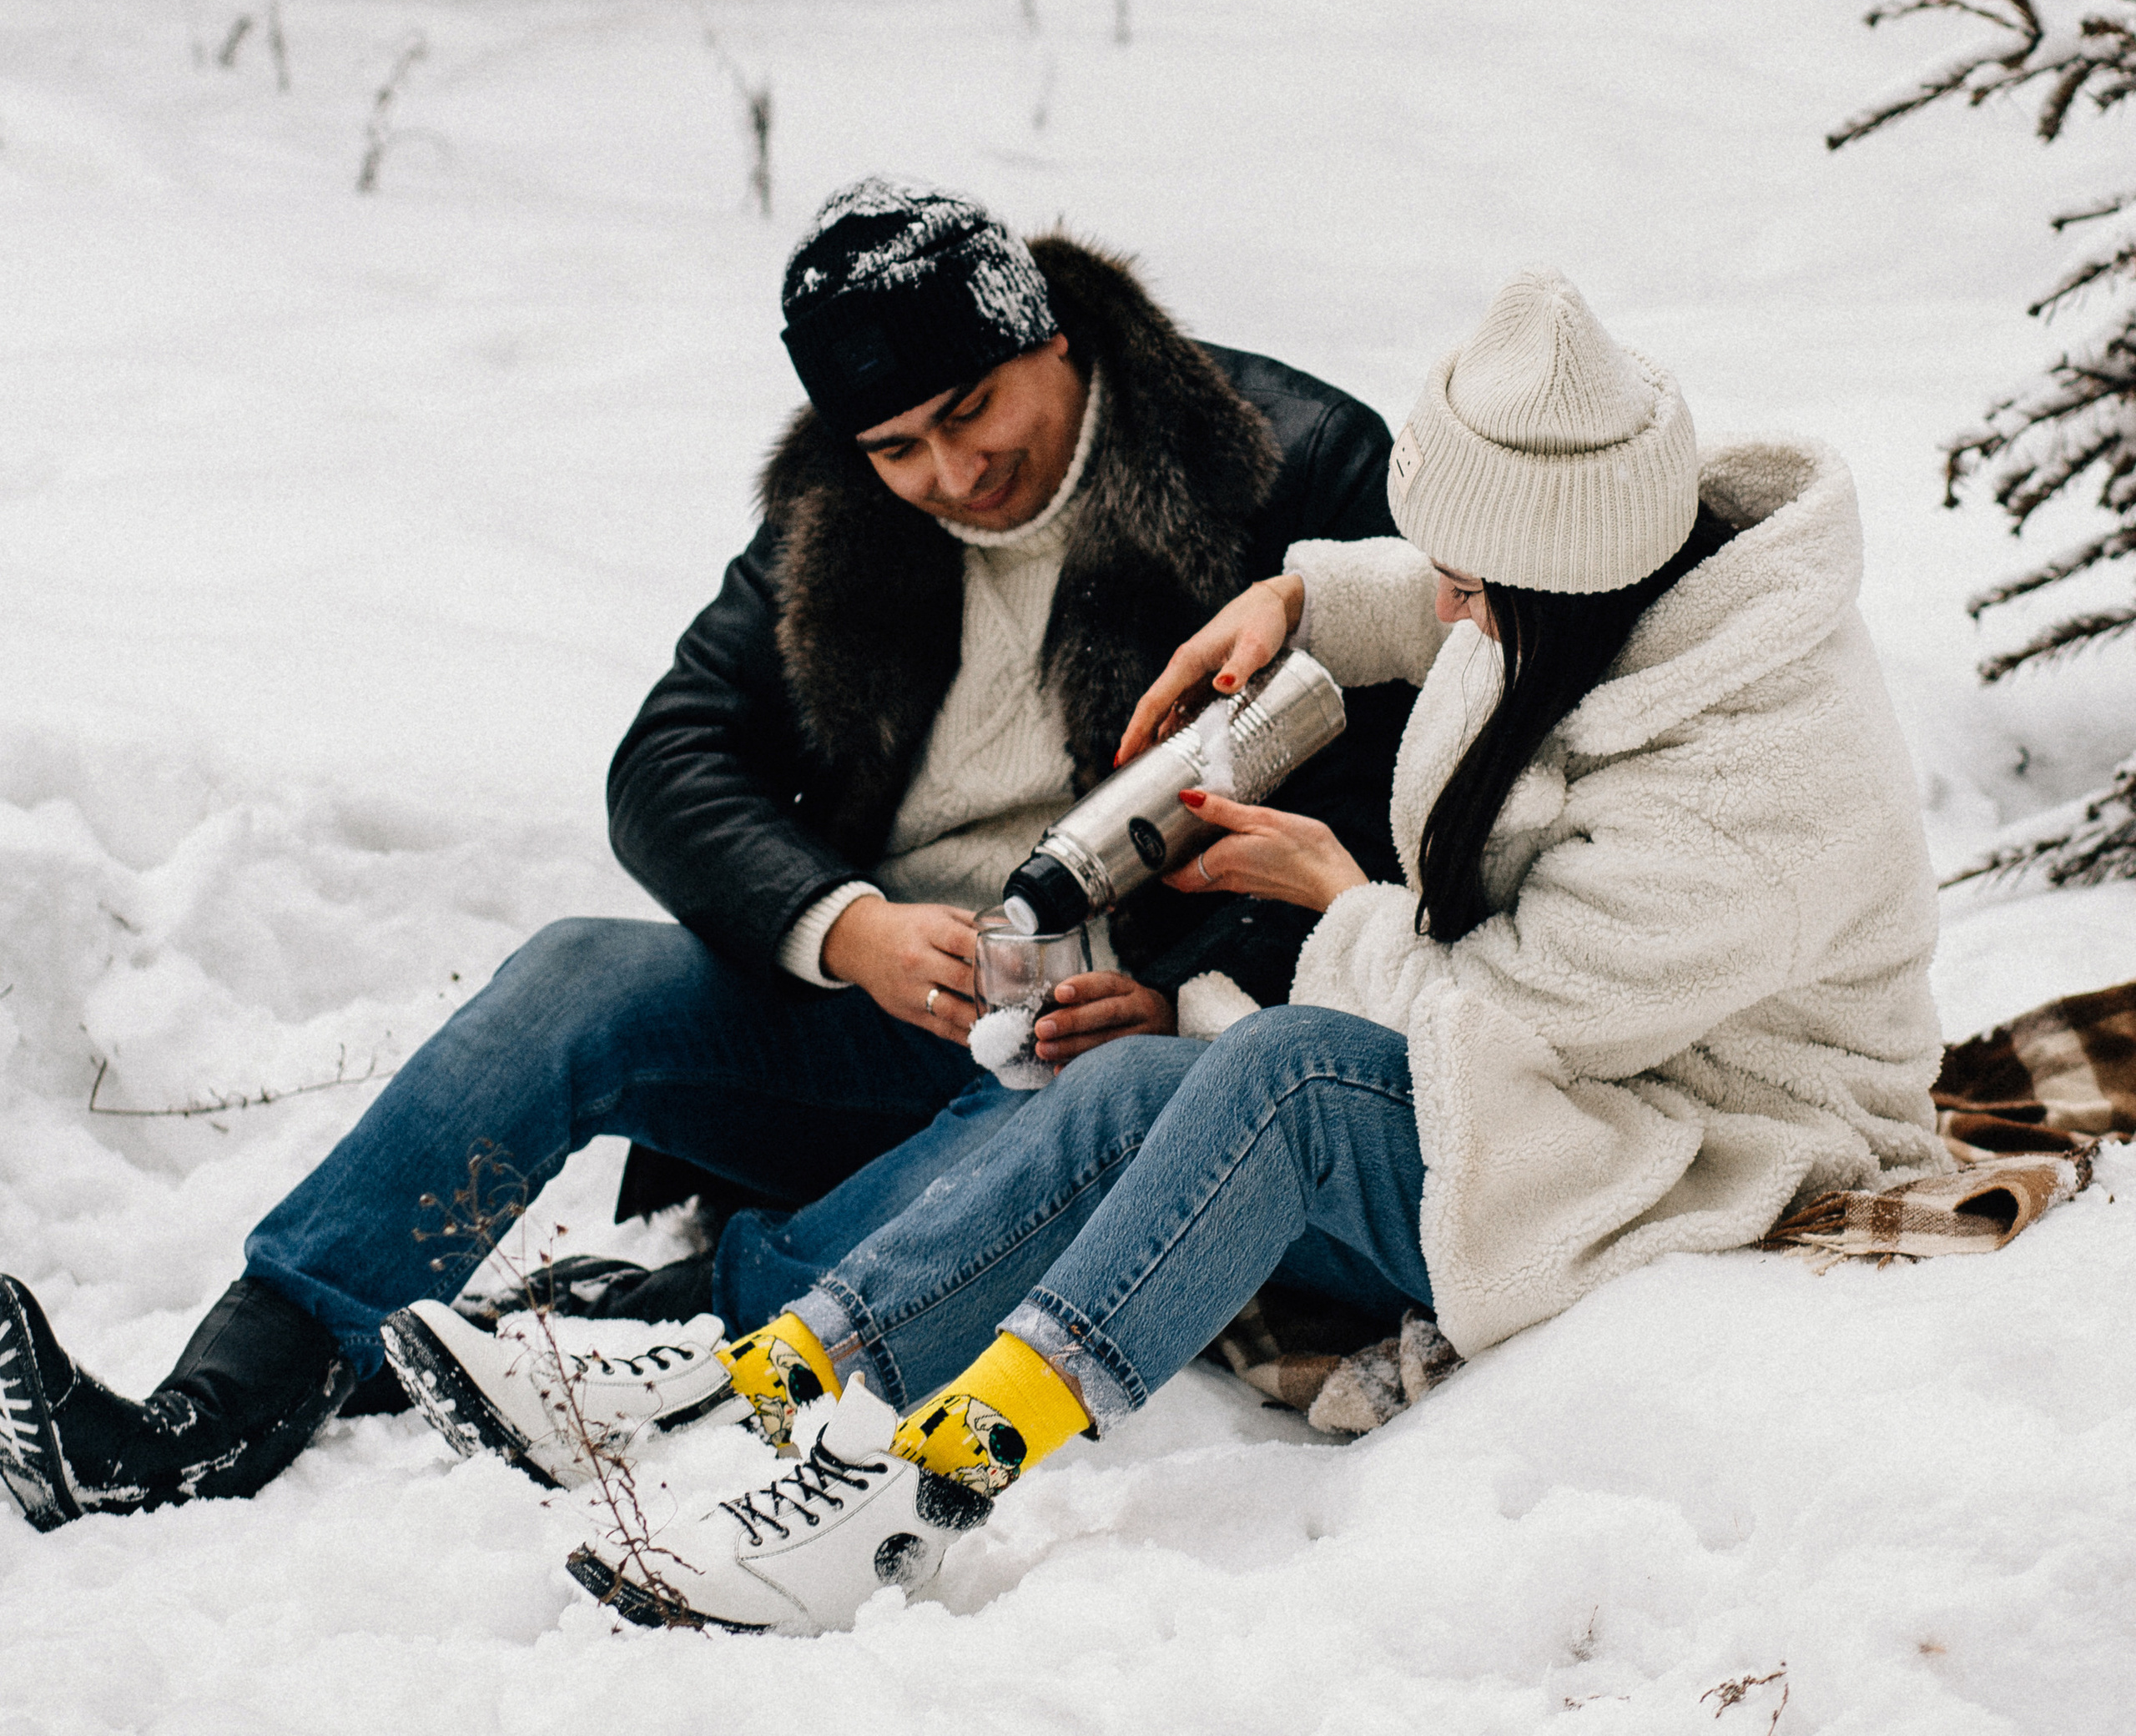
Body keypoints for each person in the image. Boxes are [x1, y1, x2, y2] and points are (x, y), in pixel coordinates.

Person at [475, 264, 1947, 1638]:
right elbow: (1487, 602)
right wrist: (1308, 599)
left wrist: (1336, 896)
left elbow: (1492, 1028)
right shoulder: (1618, 575)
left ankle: (924, 1492)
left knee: (1284, 1076)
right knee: (1127, 1084)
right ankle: (770, 1374)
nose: (1445, 608)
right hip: (1570, 1088)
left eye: (1467, 586)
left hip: (1690, 1145)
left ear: (1562, 585)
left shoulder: (1750, 796)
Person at [0, 180, 1413, 1530]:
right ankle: (237, 1392)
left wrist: (1185, 1002)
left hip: (1123, 1047)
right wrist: (846, 929)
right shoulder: (844, 506)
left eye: (972, 410)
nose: (950, 473)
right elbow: (669, 758)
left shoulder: (1285, 467)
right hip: (883, 1010)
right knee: (575, 976)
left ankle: (663, 1344)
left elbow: (1403, 815)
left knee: (1065, 1107)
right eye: (896, 448)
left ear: (1049, 335)